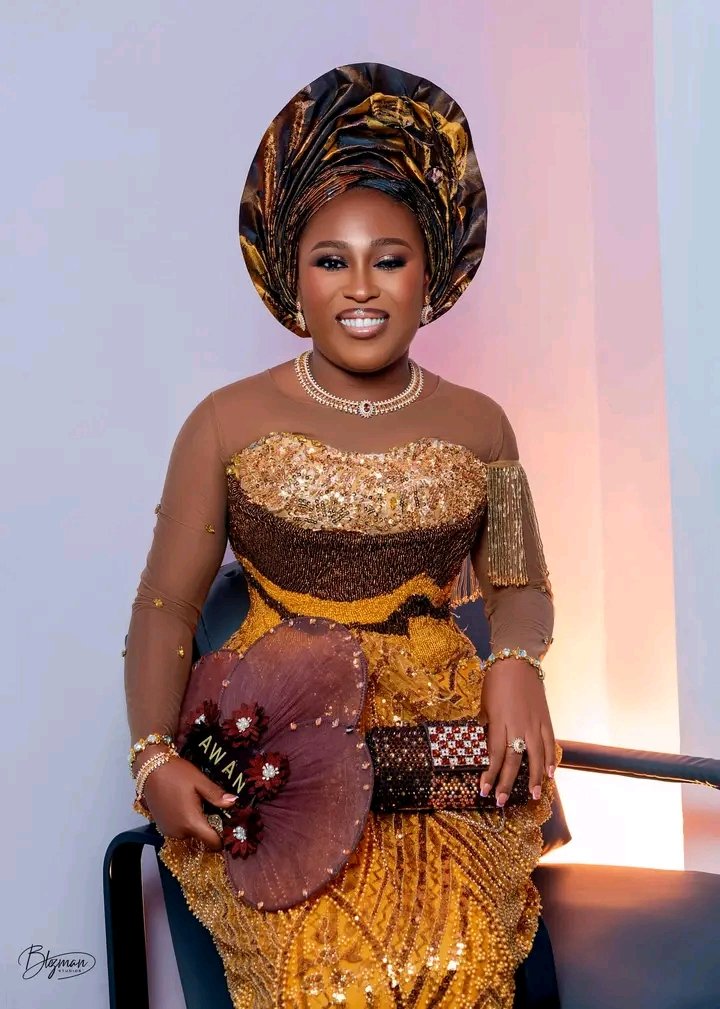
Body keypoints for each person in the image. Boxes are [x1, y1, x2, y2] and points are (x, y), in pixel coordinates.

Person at [124, 62, 558, 1009]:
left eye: (389, 258)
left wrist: (516, 662)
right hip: (281, 738)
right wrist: (153, 754)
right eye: (331, 260)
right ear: (292, 274)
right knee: (320, 976)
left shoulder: (483, 424)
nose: (361, 286)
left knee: (464, 963)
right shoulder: (224, 421)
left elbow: (519, 580)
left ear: (432, 272)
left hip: (442, 744)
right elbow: (165, 606)